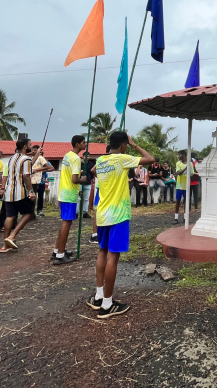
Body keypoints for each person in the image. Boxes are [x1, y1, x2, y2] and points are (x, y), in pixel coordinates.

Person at [85, 132, 154, 319]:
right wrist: (134, 145)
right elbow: (150, 159)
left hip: (103, 214)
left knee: (102, 251)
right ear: (123, 145)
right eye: (126, 144)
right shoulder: (122, 159)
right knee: (112, 258)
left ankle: (99, 295)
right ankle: (107, 305)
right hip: (118, 215)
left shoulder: (101, 161)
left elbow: (94, 174)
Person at [53, 135, 88, 265]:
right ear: (78, 144)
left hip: (63, 192)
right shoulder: (76, 159)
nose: (86, 144)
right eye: (84, 142)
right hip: (69, 194)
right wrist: (82, 180)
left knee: (65, 223)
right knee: (66, 224)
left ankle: (57, 250)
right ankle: (60, 255)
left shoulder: (67, 155)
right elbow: (74, 179)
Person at [0, 138, 37, 252]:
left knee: (10, 216)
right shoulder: (26, 159)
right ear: (25, 146)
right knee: (28, 213)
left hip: (9, 192)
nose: (31, 146)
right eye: (30, 145)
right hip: (21, 192)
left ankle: (5, 245)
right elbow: (26, 176)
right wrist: (31, 191)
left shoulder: (11, 158)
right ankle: (12, 236)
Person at [30, 145, 53, 218]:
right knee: (31, 197)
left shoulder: (41, 158)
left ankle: (38, 211)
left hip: (39, 181)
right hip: (31, 180)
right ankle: (31, 212)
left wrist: (39, 170)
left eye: (34, 150)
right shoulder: (31, 159)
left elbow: (49, 167)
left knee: (39, 196)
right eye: (32, 150)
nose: (32, 151)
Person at [173, 150, 188, 224]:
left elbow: (191, 173)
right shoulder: (178, 163)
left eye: (179, 155)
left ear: (184, 155)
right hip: (179, 186)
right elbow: (178, 173)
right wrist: (186, 168)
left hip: (187, 186)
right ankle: (176, 218)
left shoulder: (190, 163)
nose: (178, 156)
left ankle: (185, 218)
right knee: (178, 201)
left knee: (186, 202)